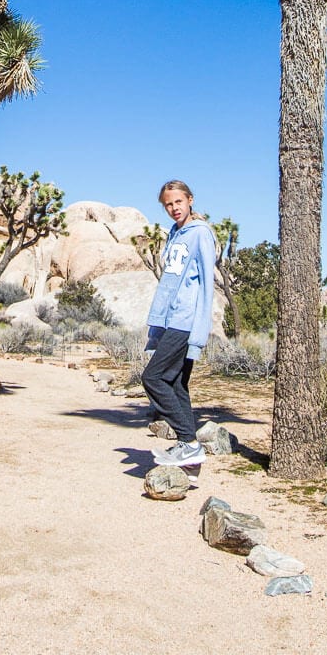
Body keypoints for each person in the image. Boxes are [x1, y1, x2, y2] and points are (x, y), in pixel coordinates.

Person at [141, 179, 215, 467]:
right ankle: (189, 453)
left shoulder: (201, 234)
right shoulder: (175, 233)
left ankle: (190, 441)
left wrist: (201, 327)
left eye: (178, 202)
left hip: (186, 319)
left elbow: (207, 283)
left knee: (153, 378)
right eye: (168, 204)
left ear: (190, 200)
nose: (173, 208)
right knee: (177, 382)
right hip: (171, 319)